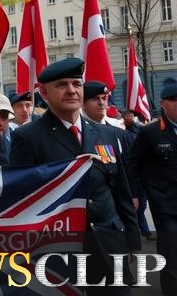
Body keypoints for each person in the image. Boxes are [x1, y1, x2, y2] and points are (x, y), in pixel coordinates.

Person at [11, 57, 140, 294]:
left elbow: (120, 189)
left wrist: (132, 238)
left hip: (108, 243)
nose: (71, 90)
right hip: (59, 250)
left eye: (76, 84)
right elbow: (22, 199)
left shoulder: (105, 134)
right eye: (61, 85)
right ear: (44, 93)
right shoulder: (28, 137)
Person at [130, 83, 177, 295]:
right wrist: (135, 193)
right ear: (163, 104)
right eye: (173, 100)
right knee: (171, 252)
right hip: (165, 204)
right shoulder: (150, 132)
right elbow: (132, 164)